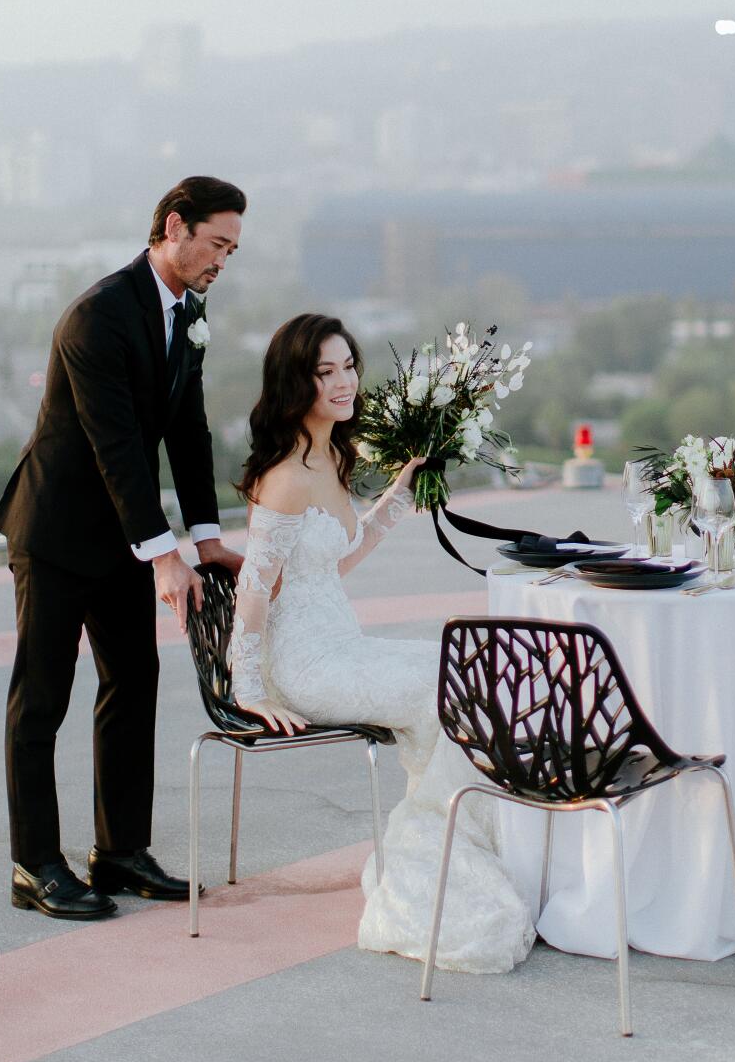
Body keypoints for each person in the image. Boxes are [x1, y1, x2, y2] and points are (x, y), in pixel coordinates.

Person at [228, 313, 534, 974]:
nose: (344, 382)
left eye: (348, 366)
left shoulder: (330, 456)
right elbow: (255, 588)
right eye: (324, 371)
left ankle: (460, 838)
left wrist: (399, 494)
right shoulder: (285, 474)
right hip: (306, 663)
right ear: (295, 383)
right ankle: (431, 861)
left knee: (457, 670)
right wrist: (248, 687)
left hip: (344, 643)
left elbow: (329, 565)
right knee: (437, 691)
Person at [0, 176, 247, 919]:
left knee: (133, 683)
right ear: (175, 226)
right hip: (56, 532)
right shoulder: (96, 316)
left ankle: (120, 853)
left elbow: (187, 430)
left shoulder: (188, 312)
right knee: (40, 700)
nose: (222, 262)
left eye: (233, 250)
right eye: (217, 244)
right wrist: (162, 552)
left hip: (121, 539)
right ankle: (34, 864)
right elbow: (116, 449)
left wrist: (204, 539)